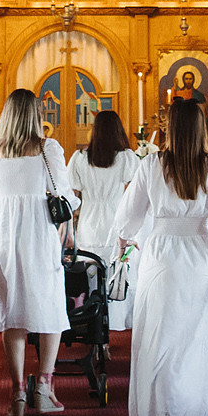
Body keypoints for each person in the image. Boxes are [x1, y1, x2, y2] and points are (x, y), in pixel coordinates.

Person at [115, 95, 208, 416]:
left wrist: (122, 248)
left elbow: (128, 219)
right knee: (200, 344)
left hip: (161, 260)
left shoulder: (151, 166)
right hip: (202, 259)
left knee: (163, 345)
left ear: (169, 129)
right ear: (201, 130)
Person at [0, 86, 71, 416]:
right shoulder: (48, 148)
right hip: (38, 237)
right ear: (35, 115)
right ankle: (44, 389)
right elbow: (65, 196)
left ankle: (18, 392)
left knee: (11, 312)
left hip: (2, 236)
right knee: (49, 309)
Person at [68, 109, 140, 331]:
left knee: (92, 280)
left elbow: (72, 197)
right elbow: (137, 193)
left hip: (89, 225)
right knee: (115, 276)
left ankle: (93, 325)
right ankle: (113, 324)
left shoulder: (79, 158)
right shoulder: (126, 158)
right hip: (116, 225)